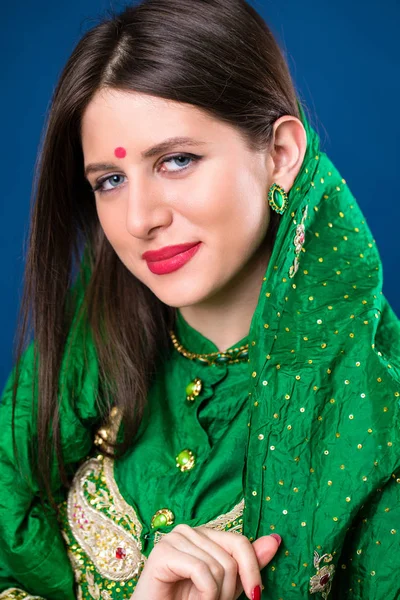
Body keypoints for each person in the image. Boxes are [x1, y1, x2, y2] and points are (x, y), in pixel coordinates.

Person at [1, 0, 399, 599]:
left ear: (281, 155)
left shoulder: (371, 415)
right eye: (110, 180)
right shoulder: (87, 343)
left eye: (177, 160)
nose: (139, 220)